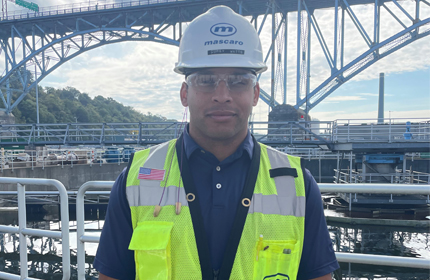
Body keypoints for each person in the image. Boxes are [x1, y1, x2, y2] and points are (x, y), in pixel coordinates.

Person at [94, 5, 339, 280]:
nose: (222, 95)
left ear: (255, 93)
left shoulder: (297, 184)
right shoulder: (136, 179)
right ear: (185, 93)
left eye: (237, 81)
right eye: (206, 81)